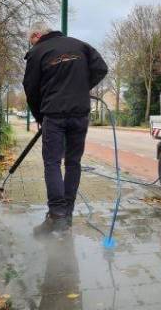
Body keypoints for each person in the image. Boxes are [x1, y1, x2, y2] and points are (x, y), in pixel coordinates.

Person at [23, 21, 108, 236]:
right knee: (73, 162)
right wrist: (79, 88)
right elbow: (101, 68)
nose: (30, 44)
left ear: (36, 36)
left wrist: (38, 115)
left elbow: (30, 88)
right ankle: (67, 214)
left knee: (52, 163)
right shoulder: (80, 45)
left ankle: (57, 216)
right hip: (80, 114)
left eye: (29, 40)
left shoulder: (37, 52)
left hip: (54, 115)